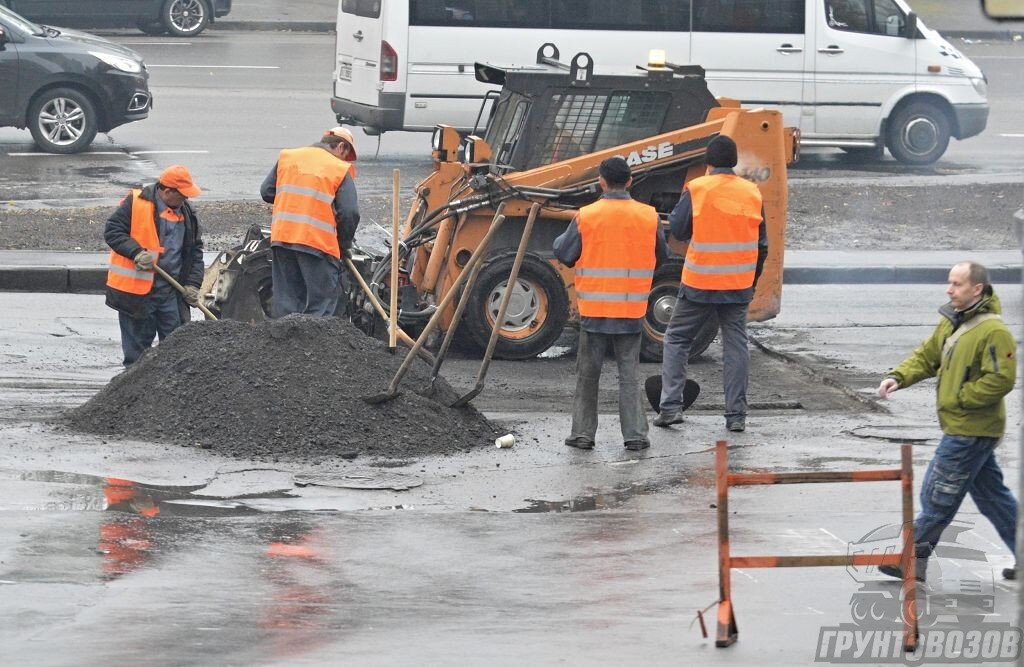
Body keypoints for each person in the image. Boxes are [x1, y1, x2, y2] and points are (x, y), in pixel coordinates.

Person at [877, 262, 1017, 581]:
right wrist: (898, 377)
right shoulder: (951, 322)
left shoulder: (993, 331)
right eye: (949, 282)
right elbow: (928, 356)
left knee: (938, 494)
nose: (948, 289)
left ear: (976, 289)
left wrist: (961, 398)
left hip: (971, 429)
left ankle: (911, 560)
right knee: (995, 500)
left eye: (956, 284)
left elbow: (1002, 379)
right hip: (963, 426)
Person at [553, 156, 668, 451]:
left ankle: (582, 434)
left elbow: (565, 253)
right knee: (628, 376)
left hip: (595, 312)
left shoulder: (587, 216)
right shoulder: (649, 216)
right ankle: (635, 435)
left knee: (588, 376)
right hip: (630, 311)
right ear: (629, 181)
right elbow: (662, 255)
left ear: (602, 181)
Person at [654, 135, 768, 432]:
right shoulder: (752, 193)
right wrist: (750, 281)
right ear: (734, 162)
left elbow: (678, 229)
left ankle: (670, 408)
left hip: (700, 283)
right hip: (738, 285)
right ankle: (736, 417)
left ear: (708, 162)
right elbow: (763, 245)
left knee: (677, 339)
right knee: (735, 347)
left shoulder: (698, 189)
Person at [104, 165, 205, 366]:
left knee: (176, 351)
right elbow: (113, 231)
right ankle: (134, 392)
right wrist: (136, 253)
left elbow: (195, 252)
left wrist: (193, 284)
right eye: (182, 195)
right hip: (138, 295)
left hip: (170, 294)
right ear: (167, 191)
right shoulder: (136, 204)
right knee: (137, 358)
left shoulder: (187, 213)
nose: (186, 199)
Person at [260, 127, 360, 318]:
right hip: (318, 245)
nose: (345, 160)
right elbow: (349, 213)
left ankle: (286, 346)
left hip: (283, 240)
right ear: (341, 147)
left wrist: (295, 202)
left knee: (287, 306)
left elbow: (267, 191)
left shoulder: (288, 157)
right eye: (346, 155)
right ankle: (314, 348)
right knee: (320, 307)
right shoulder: (338, 168)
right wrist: (343, 244)